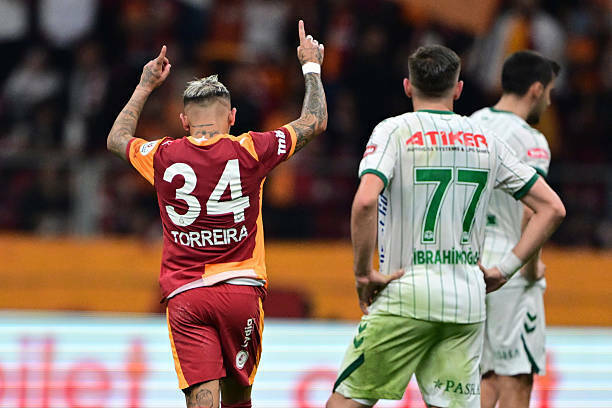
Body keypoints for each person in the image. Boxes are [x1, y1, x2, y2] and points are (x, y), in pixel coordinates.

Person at [326, 44, 565, 408]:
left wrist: (363, 274)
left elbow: (364, 201)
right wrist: (505, 270)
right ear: (458, 89)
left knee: (346, 403)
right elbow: (552, 208)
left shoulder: (393, 131)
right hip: (466, 301)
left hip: (405, 293)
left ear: (408, 86)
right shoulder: (486, 139)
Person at [106, 20, 326, 408]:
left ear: (184, 121)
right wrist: (311, 66)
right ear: (232, 117)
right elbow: (314, 121)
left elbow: (116, 139)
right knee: (239, 400)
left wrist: (144, 85)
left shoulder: (163, 155)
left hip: (186, 295)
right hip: (240, 292)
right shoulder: (252, 149)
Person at [470, 50, 559, 408]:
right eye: (549, 91)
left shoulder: (471, 124)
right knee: (516, 379)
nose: (549, 101)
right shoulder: (531, 140)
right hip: (510, 268)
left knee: (483, 377)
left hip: (471, 265)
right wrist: (531, 268)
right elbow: (532, 212)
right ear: (536, 89)